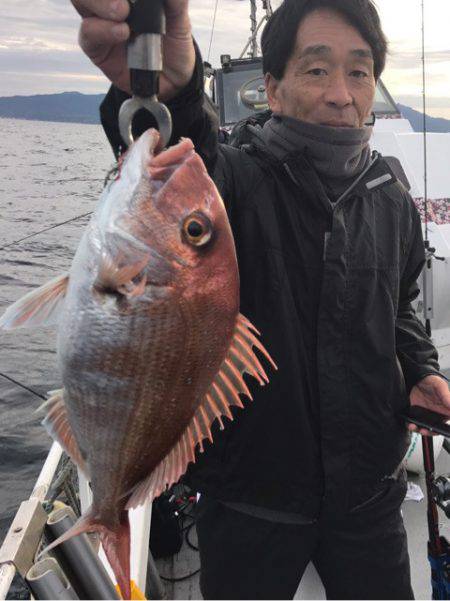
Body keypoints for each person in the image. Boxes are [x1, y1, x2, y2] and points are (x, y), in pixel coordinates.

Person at [70, 0, 450, 598]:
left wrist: (421, 371)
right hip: (252, 499)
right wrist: (169, 88)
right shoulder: (236, 180)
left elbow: (400, 306)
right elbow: (183, 158)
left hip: (368, 495)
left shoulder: (392, 197)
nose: (341, 93)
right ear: (271, 88)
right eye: (317, 69)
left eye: (358, 71)